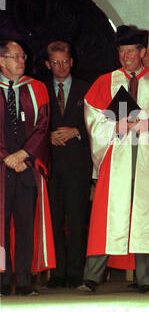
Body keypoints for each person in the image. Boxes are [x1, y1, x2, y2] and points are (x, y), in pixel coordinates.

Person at [78, 25, 149, 294]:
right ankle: (91, 277)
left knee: (145, 214)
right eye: (122, 51)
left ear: (143, 52)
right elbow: (92, 119)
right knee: (109, 215)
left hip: (146, 154)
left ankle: (146, 280)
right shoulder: (105, 81)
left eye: (131, 51)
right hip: (116, 157)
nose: (126, 56)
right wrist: (113, 128)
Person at [0, 39, 55, 296]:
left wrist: (23, 155)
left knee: (25, 225)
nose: (22, 61)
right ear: (2, 60)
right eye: (16, 57)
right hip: (1, 168)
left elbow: (43, 126)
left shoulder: (37, 88)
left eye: (23, 56)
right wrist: (5, 157)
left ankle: (23, 281)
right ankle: (1, 279)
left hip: (27, 167)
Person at [44, 40, 92, 288]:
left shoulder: (87, 89)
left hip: (77, 165)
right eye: (55, 63)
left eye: (64, 61)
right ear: (48, 64)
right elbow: (33, 124)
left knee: (76, 220)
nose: (61, 67)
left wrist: (77, 131)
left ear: (71, 61)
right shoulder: (40, 90)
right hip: (50, 167)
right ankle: (57, 273)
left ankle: (75, 272)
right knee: (52, 219)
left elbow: (99, 124)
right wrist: (47, 135)